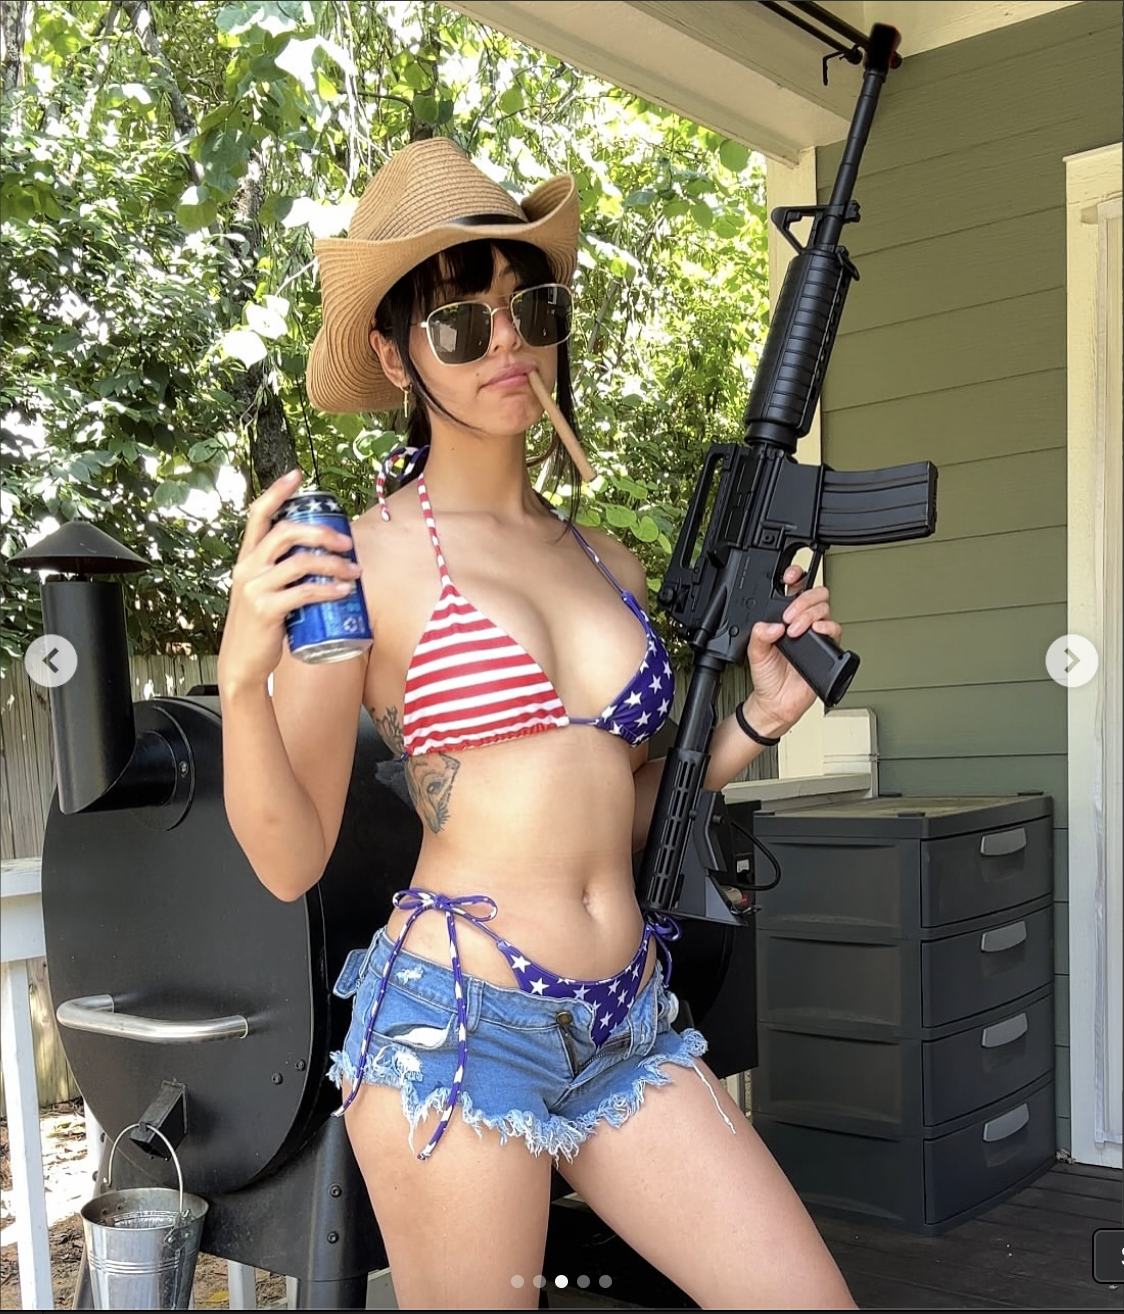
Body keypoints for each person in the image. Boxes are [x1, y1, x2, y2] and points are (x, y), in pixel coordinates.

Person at [218, 136, 855, 1311]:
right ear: (393, 355)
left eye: (533, 308)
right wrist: (241, 675)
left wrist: (756, 721)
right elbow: (287, 857)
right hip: (457, 1031)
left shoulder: (606, 559)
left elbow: (627, 801)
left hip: (626, 1023)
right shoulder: (359, 564)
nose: (506, 341)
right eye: (459, 323)